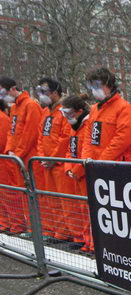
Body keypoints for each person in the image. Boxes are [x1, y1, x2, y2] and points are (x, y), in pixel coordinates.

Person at [0, 76, 43, 235]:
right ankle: (32, 227)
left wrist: (16, 153)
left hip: (29, 158)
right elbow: (12, 133)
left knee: (36, 194)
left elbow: (30, 134)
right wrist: (10, 151)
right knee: (25, 194)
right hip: (18, 158)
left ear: (12, 88)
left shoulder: (30, 105)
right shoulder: (15, 108)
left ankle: (41, 228)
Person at [35, 78, 73, 242]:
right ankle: (59, 232)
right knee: (52, 200)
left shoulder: (63, 111)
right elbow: (41, 136)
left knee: (65, 201)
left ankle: (68, 232)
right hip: (48, 164)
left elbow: (65, 138)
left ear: (56, 92)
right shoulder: (46, 112)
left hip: (59, 164)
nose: (42, 96)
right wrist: (43, 156)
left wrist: (53, 158)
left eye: (46, 92)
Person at [82, 68, 131, 165]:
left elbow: (122, 141)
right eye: (91, 86)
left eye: (97, 85)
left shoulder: (124, 108)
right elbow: (88, 138)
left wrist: (102, 161)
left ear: (109, 85)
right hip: (95, 164)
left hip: (116, 165)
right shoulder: (94, 109)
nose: (93, 89)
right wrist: (86, 159)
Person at [61, 95, 94, 253]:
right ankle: (86, 241)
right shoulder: (73, 126)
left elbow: (88, 151)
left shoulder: (88, 125)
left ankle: (92, 244)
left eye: (69, 113)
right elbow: (70, 149)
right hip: (76, 174)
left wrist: (77, 170)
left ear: (79, 111)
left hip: (85, 174)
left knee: (89, 209)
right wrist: (69, 168)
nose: (67, 117)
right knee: (82, 209)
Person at [0, 99, 11, 232]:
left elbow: (2, 142)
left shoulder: (2, 118)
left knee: (7, 194)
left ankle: (12, 224)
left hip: (4, 162)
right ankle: (5, 222)